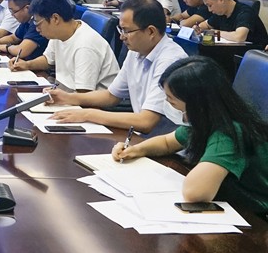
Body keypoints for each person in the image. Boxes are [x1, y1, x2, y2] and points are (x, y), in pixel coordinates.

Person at [112, 56, 268, 212]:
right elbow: (166, 142)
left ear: (196, 105)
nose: (168, 104)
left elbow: (194, 193)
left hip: (256, 215)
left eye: (172, 101)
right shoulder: (207, 120)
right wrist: (136, 149)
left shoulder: (229, 134)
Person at [48, 0, 187, 134]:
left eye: (127, 31)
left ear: (151, 31)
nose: (121, 37)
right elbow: (111, 96)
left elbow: (146, 122)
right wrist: (67, 97)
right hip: (141, 136)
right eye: (121, 30)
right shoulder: (136, 51)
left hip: (168, 143)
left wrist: (87, 114)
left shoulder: (170, 61)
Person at [11, 0, 118, 92]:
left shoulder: (85, 45)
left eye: (38, 24)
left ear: (55, 19)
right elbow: (48, 60)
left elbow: (84, 93)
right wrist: (27, 65)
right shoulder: (59, 33)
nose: (37, 29)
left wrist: (57, 96)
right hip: (64, 90)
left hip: (85, 100)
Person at [195, 0, 268, 46]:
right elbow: (205, 25)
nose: (209, 10)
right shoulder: (220, 12)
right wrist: (198, 28)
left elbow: (239, 37)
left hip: (252, 53)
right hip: (230, 50)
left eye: (210, 5)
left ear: (221, 0)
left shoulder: (245, 12)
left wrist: (216, 33)